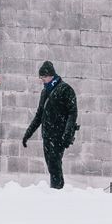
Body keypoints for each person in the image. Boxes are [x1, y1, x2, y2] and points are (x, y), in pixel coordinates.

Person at [22, 60, 78, 189]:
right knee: (52, 166)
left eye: (43, 77)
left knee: (54, 165)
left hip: (59, 135)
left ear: (50, 75)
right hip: (47, 136)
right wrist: (27, 134)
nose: (42, 80)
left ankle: (57, 191)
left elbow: (73, 113)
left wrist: (67, 134)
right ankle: (56, 190)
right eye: (41, 77)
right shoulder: (45, 92)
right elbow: (39, 116)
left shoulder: (65, 89)